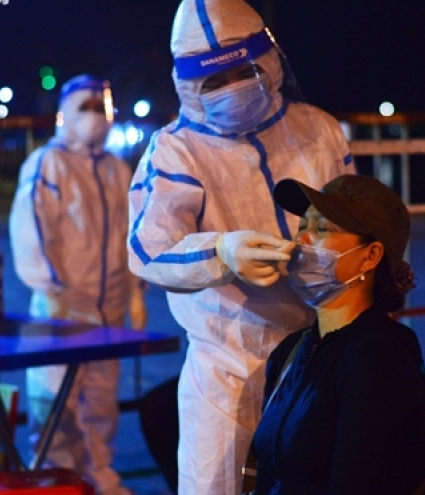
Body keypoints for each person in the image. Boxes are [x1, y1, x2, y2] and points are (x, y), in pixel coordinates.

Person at [126, 1, 353, 493]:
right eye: (213, 81)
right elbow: (148, 250)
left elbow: (355, 221)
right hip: (227, 361)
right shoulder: (175, 149)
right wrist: (221, 253)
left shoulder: (319, 130)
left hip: (321, 351)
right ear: (187, 85)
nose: (232, 87)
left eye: (242, 70)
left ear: (269, 60)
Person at [250, 174, 425, 495]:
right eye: (302, 226)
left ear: (371, 256)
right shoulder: (292, 351)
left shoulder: (379, 359)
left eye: (322, 229)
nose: (301, 241)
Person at [9, 74, 146, 495]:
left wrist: (137, 292)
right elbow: (32, 230)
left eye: (99, 107)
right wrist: (49, 289)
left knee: (101, 403)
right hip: (62, 309)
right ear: (65, 114)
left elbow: (133, 232)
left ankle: (98, 477)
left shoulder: (117, 169)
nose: (93, 117)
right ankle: (55, 480)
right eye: (84, 107)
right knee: (56, 407)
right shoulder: (49, 163)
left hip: (108, 311)